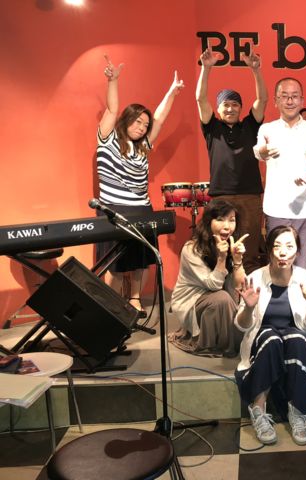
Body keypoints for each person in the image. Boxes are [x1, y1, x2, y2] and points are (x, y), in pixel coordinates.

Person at [96, 54, 184, 316]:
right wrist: (113, 81)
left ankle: (134, 300)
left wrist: (172, 92)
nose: (143, 127)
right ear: (127, 120)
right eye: (138, 122)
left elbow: (160, 118)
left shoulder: (143, 146)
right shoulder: (108, 138)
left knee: (140, 260)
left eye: (145, 125)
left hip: (141, 209)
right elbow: (112, 109)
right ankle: (110, 305)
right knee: (114, 262)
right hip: (113, 209)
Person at [234, 226, 306, 446]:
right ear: (269, 250)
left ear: (298, 251)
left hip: (298, 337)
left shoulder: (305, 278)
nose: (283, 252)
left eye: (289, 246)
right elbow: (242, 326)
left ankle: (297, 412)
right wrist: (248, 308)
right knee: (272, 339)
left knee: (296, 339)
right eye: (277, 246)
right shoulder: (255, 278)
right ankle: (258, 409)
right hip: (265, 338)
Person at [196, 45, 267, 273]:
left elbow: (262, 100)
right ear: (218, 108)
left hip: (250, 196)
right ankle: (223, 289)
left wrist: (256, 70)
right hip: (221, 195)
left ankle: (250, 291)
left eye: (235, 104)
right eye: (226, 104)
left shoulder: (250, 125)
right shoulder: (212, 127)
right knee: (220, 251)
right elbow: (200, 99)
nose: (230, 108)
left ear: (240, 108)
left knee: (250, 252)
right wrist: (206, 68)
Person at [253, 78, 306, 270]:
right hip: (277, 208)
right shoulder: (267, 129)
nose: (290, 101)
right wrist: (263, 151)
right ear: (275, 101)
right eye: (284, 96)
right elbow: (259, 151)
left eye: (294, 96)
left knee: (304, 266)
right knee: (279, 265)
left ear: (302, 100)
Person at [170, 199, 247, 356]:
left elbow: (241, 287)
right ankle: (220, 344)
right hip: (191, 300)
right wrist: (221, 258)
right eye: (220, 219)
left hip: (222, 297)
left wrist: (237, 260)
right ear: (208, 222)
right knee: (221, 299)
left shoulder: (232, 243)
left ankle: (229, 340)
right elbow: (213, 285)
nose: (227, 226)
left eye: (231, 220)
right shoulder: (191, 249)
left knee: (243, 300)